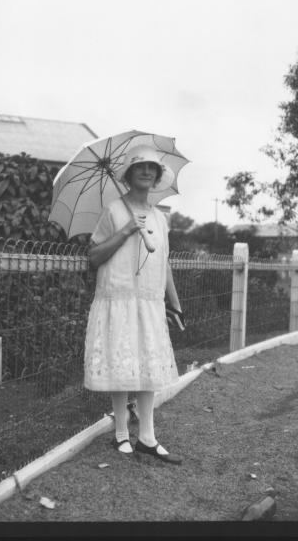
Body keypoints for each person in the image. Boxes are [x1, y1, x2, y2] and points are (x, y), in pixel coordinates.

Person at [84, 145, 184, 464]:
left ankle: (148, 438)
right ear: (129, 174)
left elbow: (164, 263)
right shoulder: (114, 210)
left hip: (149, 303)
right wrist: (126, 230)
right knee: (124, 362)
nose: (146, 171)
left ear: (157, 177)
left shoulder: (158, 217)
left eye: (152, 168)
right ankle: (121, 435)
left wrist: (175, 304)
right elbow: (94, 256)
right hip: (119, 297)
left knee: (149, 365)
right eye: (140, 167)